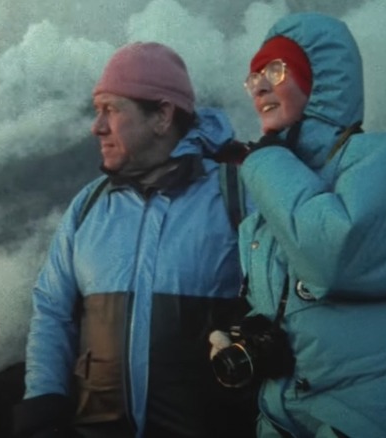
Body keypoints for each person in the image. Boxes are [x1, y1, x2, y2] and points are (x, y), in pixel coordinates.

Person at [209, 12, 386, 438]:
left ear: (320, 82)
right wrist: (244, 339)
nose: (260, 86)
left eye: (275, 69)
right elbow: (288, 309)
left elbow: (332, 256)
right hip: (286, 417)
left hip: (371, 421)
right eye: (253, 78)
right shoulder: (276, 196)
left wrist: (263, 157)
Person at [13, 42, 254, 438]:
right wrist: (44, 402)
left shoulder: (234, 197)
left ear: (162, 116)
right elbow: (52, 311)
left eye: (112, 109)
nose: (97, 126)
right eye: (97, 111)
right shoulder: (87, 206)